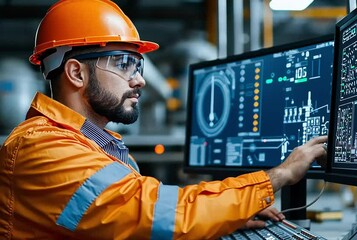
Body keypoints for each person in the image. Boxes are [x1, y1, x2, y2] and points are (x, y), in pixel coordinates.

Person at [0, 0, 328, 239]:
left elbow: (144, 205)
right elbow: (150, 213)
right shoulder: (42, 148)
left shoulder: (85, 143)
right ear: (76, 72)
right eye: (124, 63)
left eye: (138, 67)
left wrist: (227, 213)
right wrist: (279, 175)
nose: (140, 80)